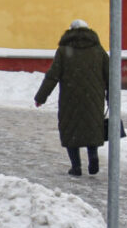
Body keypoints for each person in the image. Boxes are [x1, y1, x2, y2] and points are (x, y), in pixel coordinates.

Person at [33, 18, 109, 177]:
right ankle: (93, 157)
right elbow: (109, 74)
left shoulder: (63, 50)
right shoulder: (97, 49)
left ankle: (76, 167)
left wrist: (41, 97)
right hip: (93, 99)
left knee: (71, 129)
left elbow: (52, 76)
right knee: (92, 127)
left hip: (70, 98)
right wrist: (112, 97)